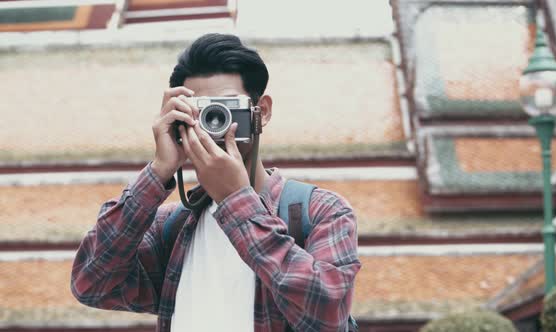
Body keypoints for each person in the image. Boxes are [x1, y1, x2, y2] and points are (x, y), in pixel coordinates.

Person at [70, 33, 361, 332]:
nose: (214, 124)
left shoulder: (318, 211)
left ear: (263, 111)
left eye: (226, 108)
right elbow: (91, 283)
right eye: (202, 111)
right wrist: (159, 171)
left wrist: (237, 201)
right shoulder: (172, 226)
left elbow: (328, 313)